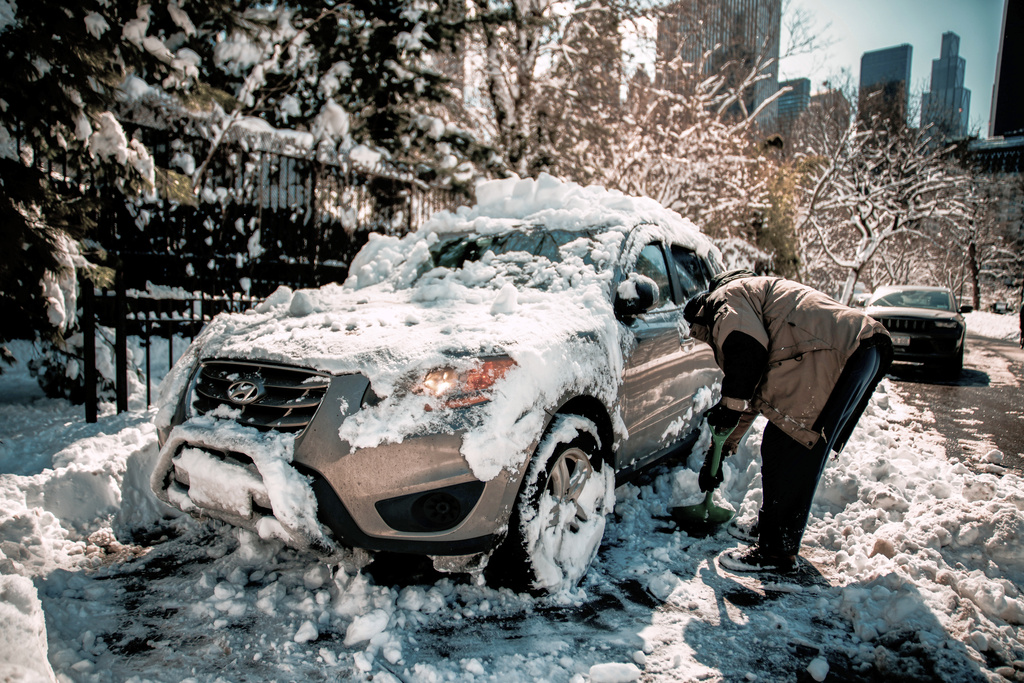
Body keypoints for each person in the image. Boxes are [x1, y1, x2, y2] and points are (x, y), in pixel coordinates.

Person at [683, 269, 893, 572]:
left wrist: (727, 407)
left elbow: (747, 352)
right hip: (861, 350)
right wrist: (722, 449)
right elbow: (752, 387)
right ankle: (773, 533)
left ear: (701, 312)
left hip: (835, 354)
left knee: (788, 447)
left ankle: (775, 552)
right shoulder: (761, 297)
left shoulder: (725, 298)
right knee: (793, 446)